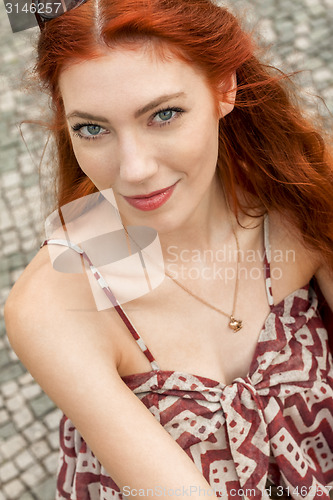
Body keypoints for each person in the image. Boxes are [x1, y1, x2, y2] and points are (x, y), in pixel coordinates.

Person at [4, 0, 333, 498]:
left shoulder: (299, 194)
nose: (133, 169)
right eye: (92, 128)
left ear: (225, 89)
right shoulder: (56, 306)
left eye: (163, 114)